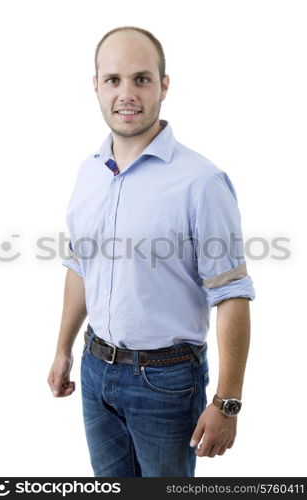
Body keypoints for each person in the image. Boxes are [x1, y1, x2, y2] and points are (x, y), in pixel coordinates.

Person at [47, 25, 255, 477]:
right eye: (113, 80)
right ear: (97, 86)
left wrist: (228, 401)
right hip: (95, 369)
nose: (126, 93)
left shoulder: (201, 182)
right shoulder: (89, 172)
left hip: (165, 382)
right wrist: (63, 348)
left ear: (163, 85)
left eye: (141, 79)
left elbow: (232, 293)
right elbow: (80, 264)